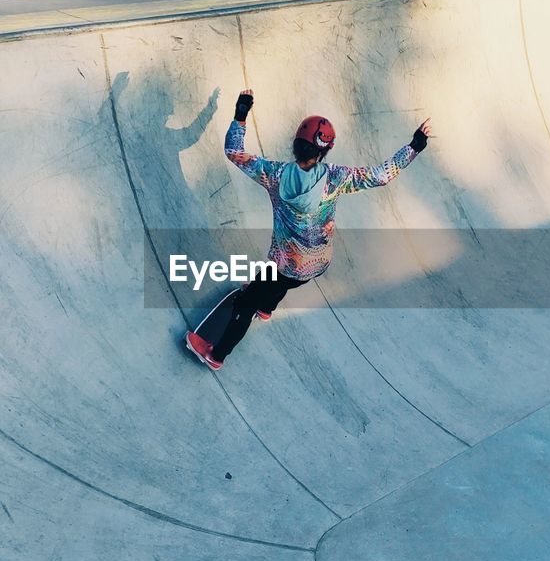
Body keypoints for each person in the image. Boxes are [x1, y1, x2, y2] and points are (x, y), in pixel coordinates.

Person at [185, 89, 431, 370]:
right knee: (283, 281)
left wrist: (241, 113)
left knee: (246, 302)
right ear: (325, 150)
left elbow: (234, 152)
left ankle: (216, 355)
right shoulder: (337, 178)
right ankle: (267, 308)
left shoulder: (274, 174)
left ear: (295, 144)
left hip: (284, 263)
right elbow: (381, 176)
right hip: (318, 263)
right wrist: (414, 146)